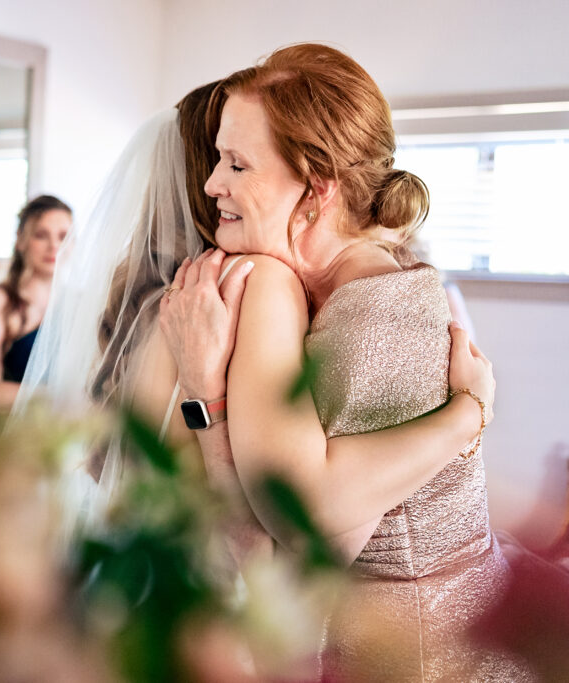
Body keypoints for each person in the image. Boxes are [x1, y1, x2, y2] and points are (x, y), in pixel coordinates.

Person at [160, 44, 532, 680]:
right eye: (218, 157)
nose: (210, 183)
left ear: (316, 187)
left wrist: (469, 415)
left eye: (237, 164)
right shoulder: (327, 291)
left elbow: (295, 550)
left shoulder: (375, 316)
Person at [0, 195, 71, 415]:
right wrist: (61, 397)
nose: (54, 246)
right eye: (41, 235)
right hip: (10, 438)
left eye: (63, 237)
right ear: (21, 240)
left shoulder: (79, 304)